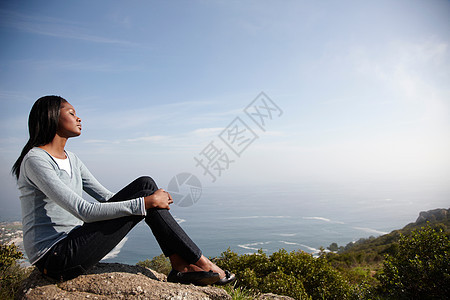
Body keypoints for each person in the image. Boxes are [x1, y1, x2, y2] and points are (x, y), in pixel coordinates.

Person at [12, 95, 236, 285]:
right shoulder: (35, 160)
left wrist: (148, 199)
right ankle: (200, 263)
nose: (79, 118)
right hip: (55, 257)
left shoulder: (73, 159)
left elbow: (108, 198)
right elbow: (84, 211)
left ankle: (180, 265)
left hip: (75, 241)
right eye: (71, 113)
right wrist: (147, 203)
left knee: (145, 185)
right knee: (145, 193)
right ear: (52, 117)